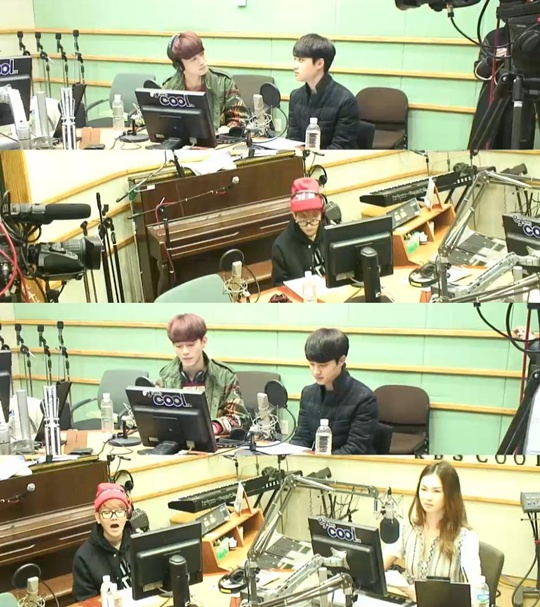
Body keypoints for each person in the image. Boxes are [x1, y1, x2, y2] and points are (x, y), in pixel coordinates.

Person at [383, 461, 482, 602]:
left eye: (436, 491)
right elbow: (379, 566)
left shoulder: (465, 538)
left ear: (450, 495)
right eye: (424, 489)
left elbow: (477, 590)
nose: (428, 497)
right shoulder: (408, 528)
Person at [158, 313, 250, 435]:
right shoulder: (166, 377)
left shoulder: (225, 376)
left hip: (213, 442)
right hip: (176, 440)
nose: (185, 351)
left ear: (203, 342)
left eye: (191, 345)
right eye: (179, 346)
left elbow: (240, 418)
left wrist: (215, 427)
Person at [290, 328, 378, 454]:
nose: (316, 372)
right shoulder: (308, 393)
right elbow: (301, 438)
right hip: (315, 462)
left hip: (348, 463)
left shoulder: (364, 399)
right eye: (312, 364)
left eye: (323, 365)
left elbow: (355, 448)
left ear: (341, 361)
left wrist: (320, 461)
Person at [163, 31, 249, 131]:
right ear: (179, 66)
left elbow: (240, 118)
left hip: (218, 140)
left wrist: (227, 130)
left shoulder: (223, 82)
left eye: (202, 54)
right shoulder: (169, 88)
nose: (202, 62)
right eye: (193, 59)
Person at [287, 33, 360, 149]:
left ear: (319, 64)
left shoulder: (345, 100)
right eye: (295, 59)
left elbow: (341, 147)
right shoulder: (296, 96)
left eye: (301, 60)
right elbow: (293, 139)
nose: (294, 66)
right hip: (302, 159)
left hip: (332, 159)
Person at [72, 483, 132, 600]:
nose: (114, 517)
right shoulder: (83, 557)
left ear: (126, 515)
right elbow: (85, 602)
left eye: (120, 511)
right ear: (98, 517)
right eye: (107, 513)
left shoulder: (139, 541)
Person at [271, 177, 329, 286]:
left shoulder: (332, 233)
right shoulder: (281, 246)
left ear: (322, 212)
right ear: (293, 214)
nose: (309, 226)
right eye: (302, 220)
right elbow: (279, 287)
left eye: (314, 219)